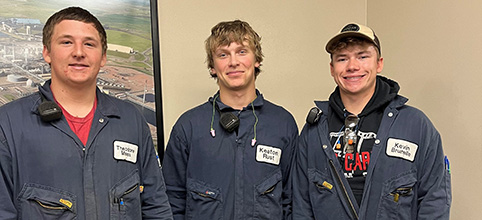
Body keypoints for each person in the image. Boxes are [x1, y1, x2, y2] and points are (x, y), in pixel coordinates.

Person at [0, 7, 172, 219]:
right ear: (47, 52)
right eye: (66, 42)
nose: (79, 52)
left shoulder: (130, 120)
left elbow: (156, 207)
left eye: (89, 44)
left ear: (103, 57)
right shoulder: (8, 125)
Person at [292, 23, 451, 219]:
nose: (352, 66)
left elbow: (434, 201)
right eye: (342, 59)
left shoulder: (416, 126)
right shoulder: (314, 130)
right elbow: (301, 205)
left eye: (363, 56)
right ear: (332, 69)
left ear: (379, 63)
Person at [162, 20, 298, 219]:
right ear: (213, 67)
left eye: (242, 51)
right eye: (223, 54)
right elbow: (171, 201)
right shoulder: (188, 127)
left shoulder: (283, 124)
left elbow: (293, 201)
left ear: (257, 60)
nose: (233, 62)